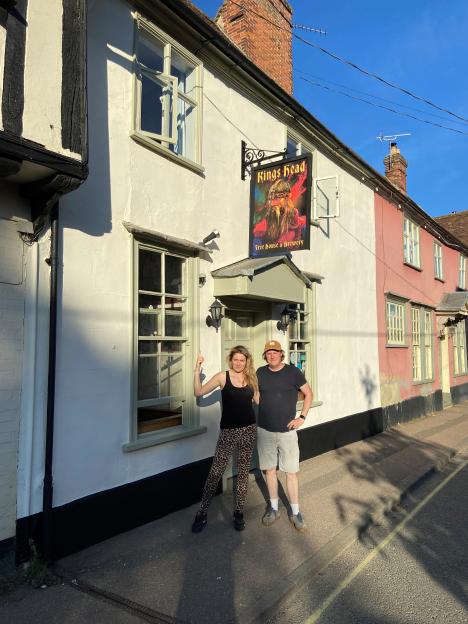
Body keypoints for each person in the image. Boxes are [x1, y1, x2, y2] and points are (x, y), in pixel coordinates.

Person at [192, 345, 258, 533]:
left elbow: (260, 400)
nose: (238, 363)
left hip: (248, 430)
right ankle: (202, 512)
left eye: (242, 360)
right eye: (235, 359)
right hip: (228, 432)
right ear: (231, 360)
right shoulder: (223, 377)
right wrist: (197, 371)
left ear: (247, 362)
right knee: (215, 472)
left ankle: (238, 512)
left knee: (243, 472)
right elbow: (199, 392)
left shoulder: (251, 378)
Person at [256, 340, 313, 531]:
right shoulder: (260, 373)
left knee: (291, 472)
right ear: (265, 356)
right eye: (268, 353)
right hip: (265, 430)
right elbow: (256, 395)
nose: (272, 355)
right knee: (270, 471)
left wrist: (302, 417)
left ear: (281, 354)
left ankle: (296, 512)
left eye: (275, 352)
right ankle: (273, 508)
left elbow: (309, 394)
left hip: (287, 432)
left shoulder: (293, 372)